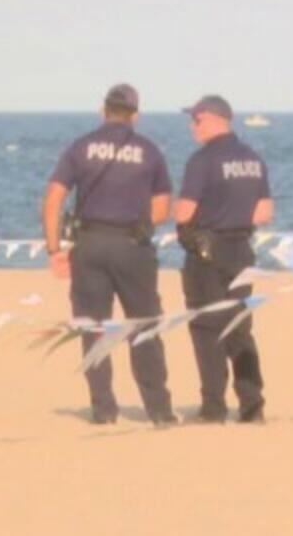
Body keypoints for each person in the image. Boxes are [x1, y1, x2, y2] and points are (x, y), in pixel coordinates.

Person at [42, 83, 177, 427]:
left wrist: (54, 249)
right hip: (132, 245)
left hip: (88, 244)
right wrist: (135, 217)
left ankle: (103, 408)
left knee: (93, 327)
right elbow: (162, 209)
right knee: (143, 325)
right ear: (136, 115)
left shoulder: (80, 147)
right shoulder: (148, 151)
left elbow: (54, 199)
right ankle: (158, 408)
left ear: (103, 111)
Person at [175, 95, 274, 424]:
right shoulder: (253, 159)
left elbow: (185, 211)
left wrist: (198, 223)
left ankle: (214, 406)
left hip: (208, 251)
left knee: (207, 327)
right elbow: (264, 212)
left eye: (197, 120)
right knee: (239, 327)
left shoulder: (202, 161)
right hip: (241, 250)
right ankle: (252, 404)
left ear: (215, 119)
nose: (192, 127)